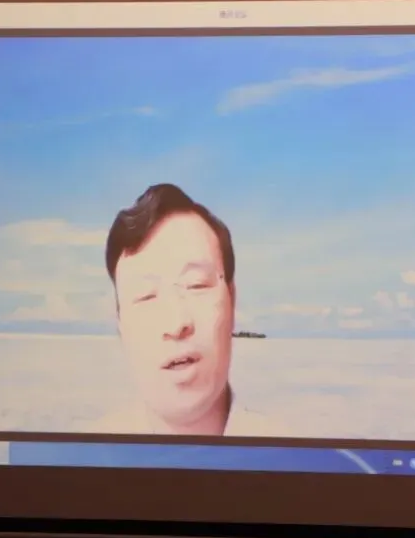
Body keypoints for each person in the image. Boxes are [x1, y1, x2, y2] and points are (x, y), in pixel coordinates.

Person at [95, 183, 279, 437]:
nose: (176, 323)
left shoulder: (298, 454)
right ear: (121, 326)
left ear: (231, 299)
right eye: (146, 296)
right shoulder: (82, 454)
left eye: (196, 284)